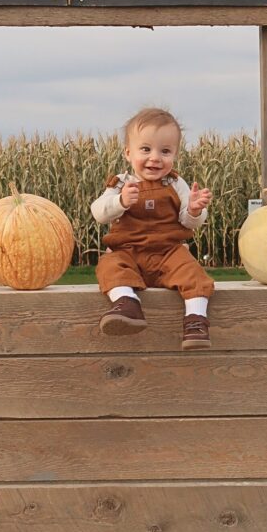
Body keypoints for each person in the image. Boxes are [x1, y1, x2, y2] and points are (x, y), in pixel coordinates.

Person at [91, 107, 215, 350]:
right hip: (128, 252)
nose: (155, 158)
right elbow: (98, 212)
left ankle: (196, 321)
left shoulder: (176, 184)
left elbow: (187, 222)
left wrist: (194, 209)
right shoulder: (121, 184)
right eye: (145, 149)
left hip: (168, 252)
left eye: (165, 151)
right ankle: (127, 303)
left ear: (175, 155)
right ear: (128, 153)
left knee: (193, 273)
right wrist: (121, 202)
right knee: (109, 265)